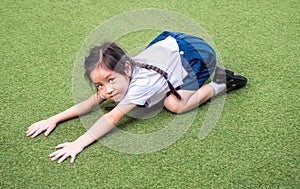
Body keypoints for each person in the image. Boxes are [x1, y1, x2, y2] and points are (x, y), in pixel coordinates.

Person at [26, 31, 247, 164]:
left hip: (197, 54)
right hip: (173, 45)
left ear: (128, 69)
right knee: (161, 94)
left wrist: (78, 144)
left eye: (110, 80)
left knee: (174, 104)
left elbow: (111, 118)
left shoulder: (140, 85)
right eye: (100, 84)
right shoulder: (120, 76)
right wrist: (53, 119)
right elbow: (93, 101)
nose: (107, 90)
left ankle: (221, 82)